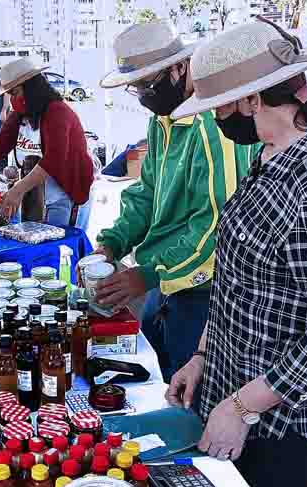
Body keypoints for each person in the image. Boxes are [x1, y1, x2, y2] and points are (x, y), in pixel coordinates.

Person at [164, 19, 307, 487]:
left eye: (218, 106)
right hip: (235, 388)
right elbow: (240, 281)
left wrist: (242, 408)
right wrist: (202, 356)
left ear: (252, 100)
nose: (216, 118)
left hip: (283, 421)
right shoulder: (271, 152)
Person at [93, 21, 256, 381]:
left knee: (192, 401)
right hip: (164, 287)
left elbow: (219, 228)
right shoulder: (163, 121)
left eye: (146, 84)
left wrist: (148, 275)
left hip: (205, 297)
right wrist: (111, 244)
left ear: (180, 68)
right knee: (157, 386)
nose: (143, 95)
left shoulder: (214, 126)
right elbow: (146, 194)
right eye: (135, 88)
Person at [0, 58, 94, 226]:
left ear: (31, 88)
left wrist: (18, 189)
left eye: (14, 93)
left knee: (61, 248)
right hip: (38, 195)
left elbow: (54, 159)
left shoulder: (57, 112)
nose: (12, 100)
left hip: (67, 194)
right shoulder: (19, 115)